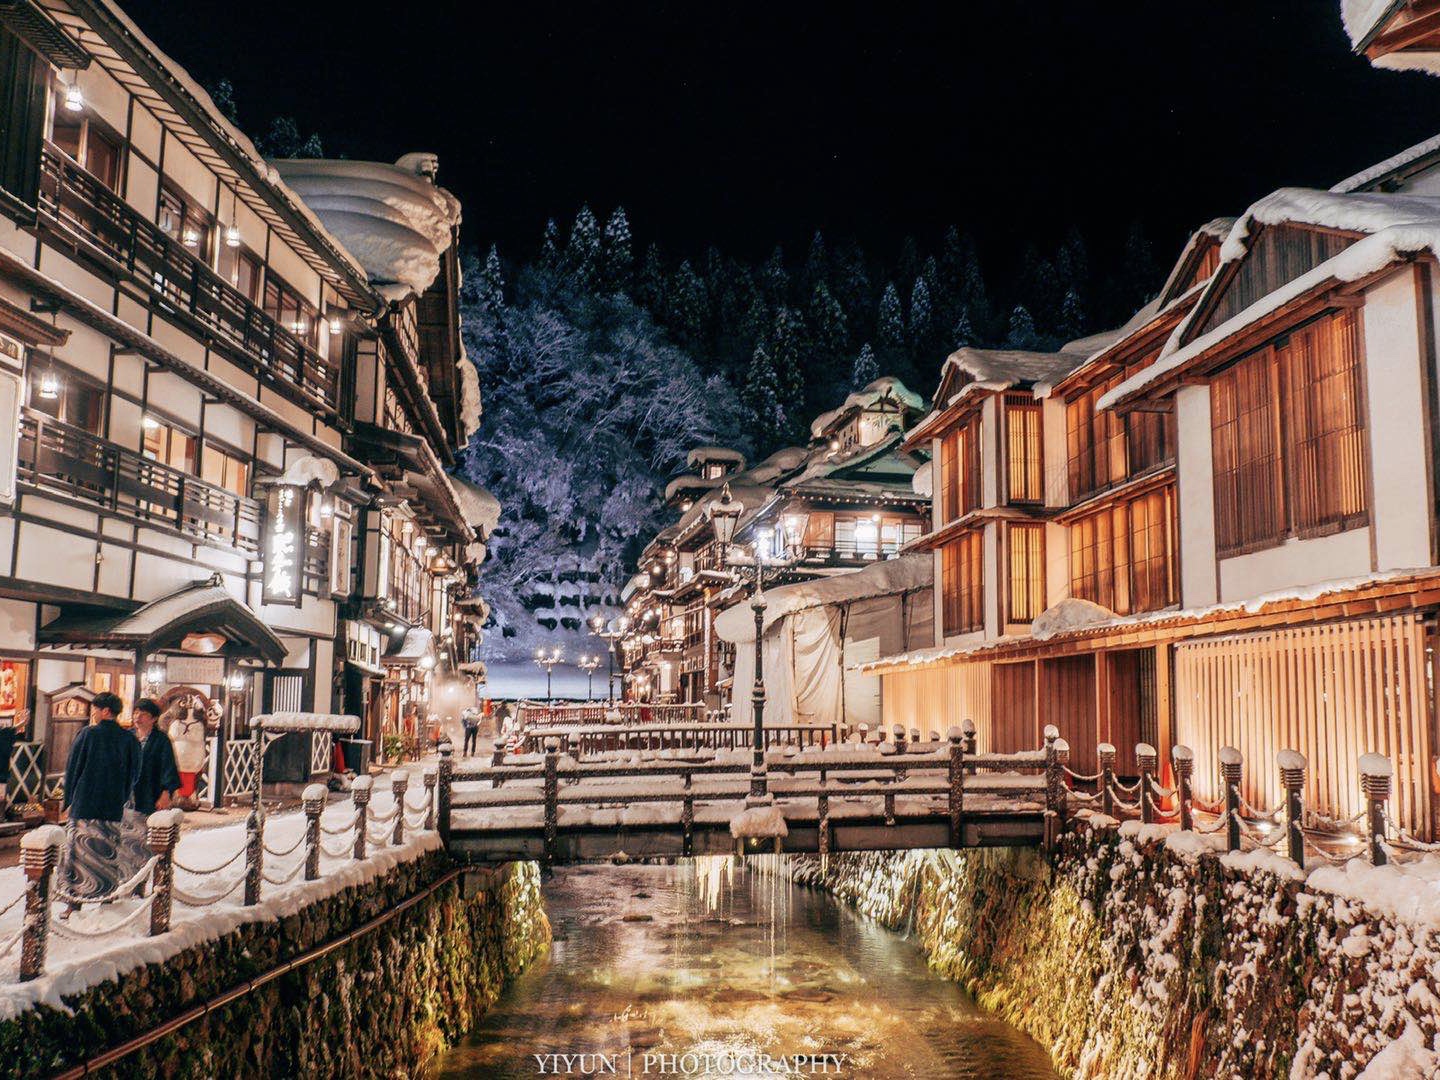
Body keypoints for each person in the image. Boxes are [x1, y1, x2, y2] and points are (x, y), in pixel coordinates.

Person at [61, 692, 140, 901]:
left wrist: (68, 800)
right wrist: (123, 794)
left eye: (95, 709)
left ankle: (75, 900)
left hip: (85, 802)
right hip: (113, 805)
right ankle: (106, 895)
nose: (93, 713)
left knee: (78, 853)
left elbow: (73, 768)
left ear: (105, 711)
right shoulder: (129, 739)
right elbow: (135, 772)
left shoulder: (88, 734)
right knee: (108, 850)